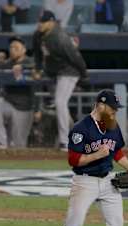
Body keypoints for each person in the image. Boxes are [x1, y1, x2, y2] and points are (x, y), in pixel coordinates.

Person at [45, 89, 128, 226]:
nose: (114, 112)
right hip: (84, 182)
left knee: (116, 223)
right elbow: (73, 160)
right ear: (100, 105)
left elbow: (116, 150)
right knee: (74, 224)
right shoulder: (81, 128)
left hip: (108, 181)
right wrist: (97, 155)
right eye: (112, 108)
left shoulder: (112, 125)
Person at [33, 10, 88, 151]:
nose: (40, 24)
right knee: (61, 106)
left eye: (43, 22)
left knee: (60, 102)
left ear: (51, 22)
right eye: (39, 21)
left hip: (69, 71)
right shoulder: (38, 35)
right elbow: (37, 54)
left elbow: (75, 57)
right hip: (54, 73)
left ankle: (65, 141)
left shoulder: (60, 37)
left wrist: (83, 74)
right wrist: (38, 69)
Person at [0, 36, 35, 148]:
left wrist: (22, 66)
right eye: (11, 47)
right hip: (8, 103)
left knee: (19, 145)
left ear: (24, 50)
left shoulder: (30, 61)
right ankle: (1, 143)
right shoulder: (8, 63)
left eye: (16, 47)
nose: (12, 49)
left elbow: (36, 66)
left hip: (24, 107)